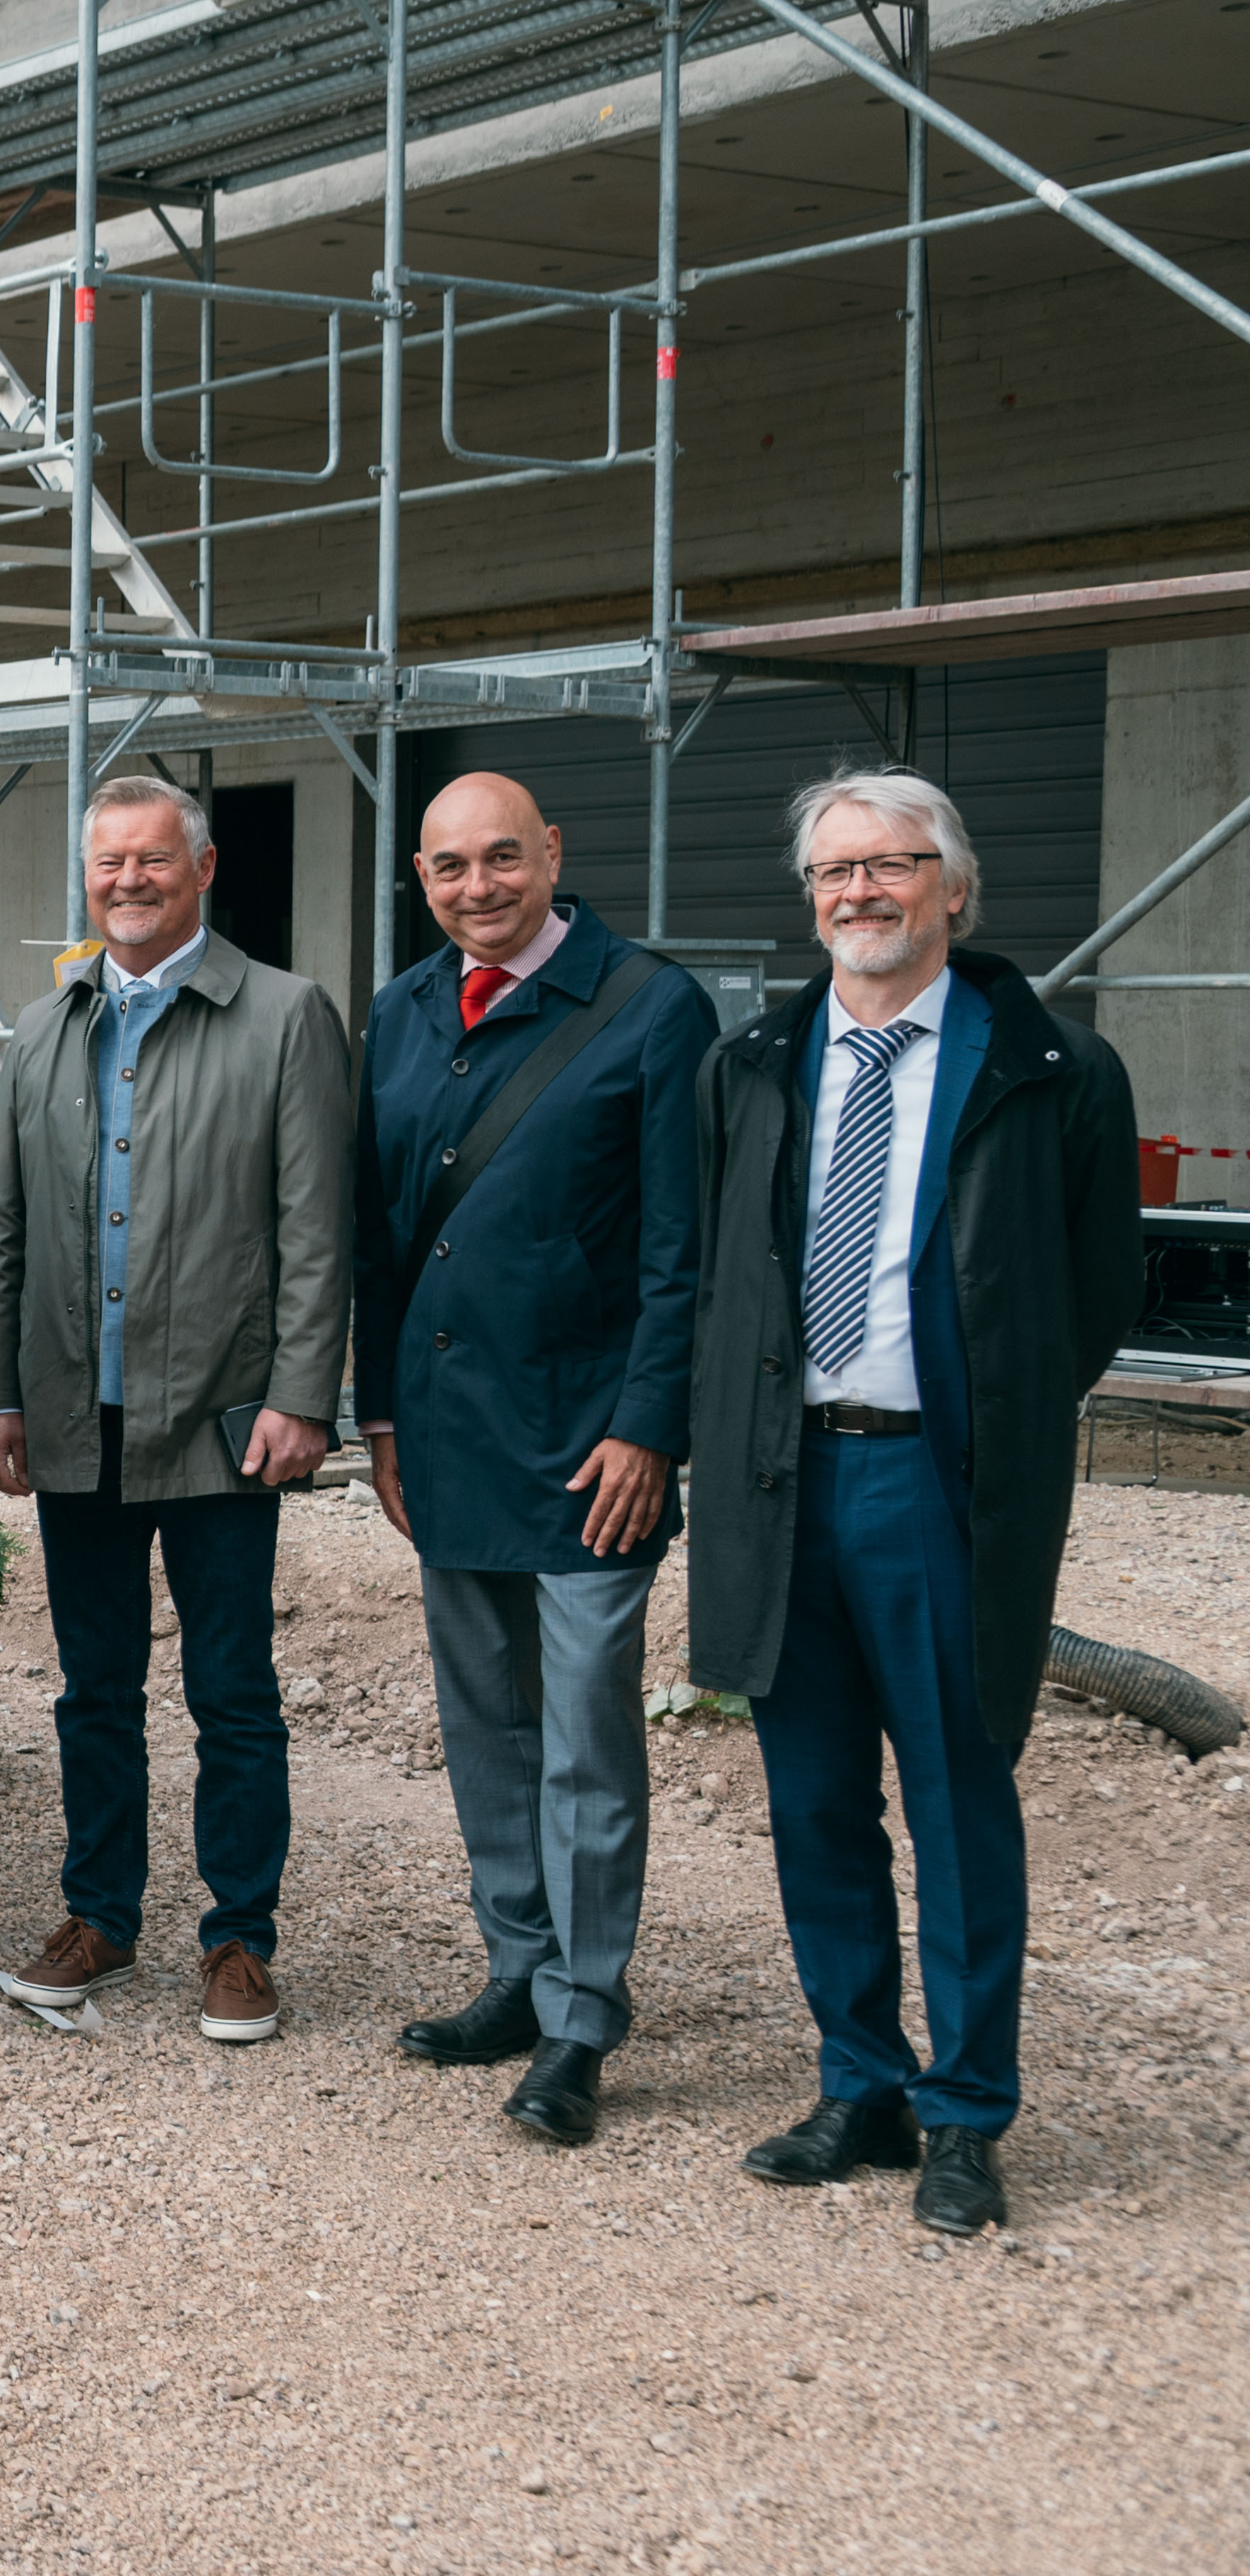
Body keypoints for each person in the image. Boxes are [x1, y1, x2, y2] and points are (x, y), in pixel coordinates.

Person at [689, 771, 1140, 2237]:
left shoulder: (1054, 1067)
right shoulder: (754, 1061)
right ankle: (860, 2080)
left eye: (892, 865)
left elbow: (1093, 1299)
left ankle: (967, 2113)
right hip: (783, 1476)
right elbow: (720, 1264)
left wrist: (981, 1412)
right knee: (815, 1801)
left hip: (935, 1483)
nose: (860, 892)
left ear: (954, 886)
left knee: (956, 1795)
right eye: (835, 870)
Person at [351, 773, 719, 2147]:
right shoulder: (399, 1010)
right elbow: (381, 1236)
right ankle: (517, 1962)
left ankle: (581, 2016)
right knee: (486, 1727)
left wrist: (650, 1425)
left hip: (589, 1447)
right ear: (421, 875)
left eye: (503, 857)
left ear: (554, 852)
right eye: (449, 866)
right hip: (445, 1439)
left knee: (586, 1741)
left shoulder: (647, 1006)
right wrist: (378, 1417)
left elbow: (686, 1246)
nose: (478, 885)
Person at [0, 773, 351, 2044]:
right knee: (94, 1688)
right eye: (106, 866)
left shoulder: (286, 1017)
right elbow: (4, 1233)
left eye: (150, 861)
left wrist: (304, 1396)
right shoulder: (44, 1030)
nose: (126, 882)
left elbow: (315, 1229)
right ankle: (101, 1917)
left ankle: (241, 1939)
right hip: (76, 1422)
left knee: (233, 1691)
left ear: (202, 867)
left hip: (224, 1425)